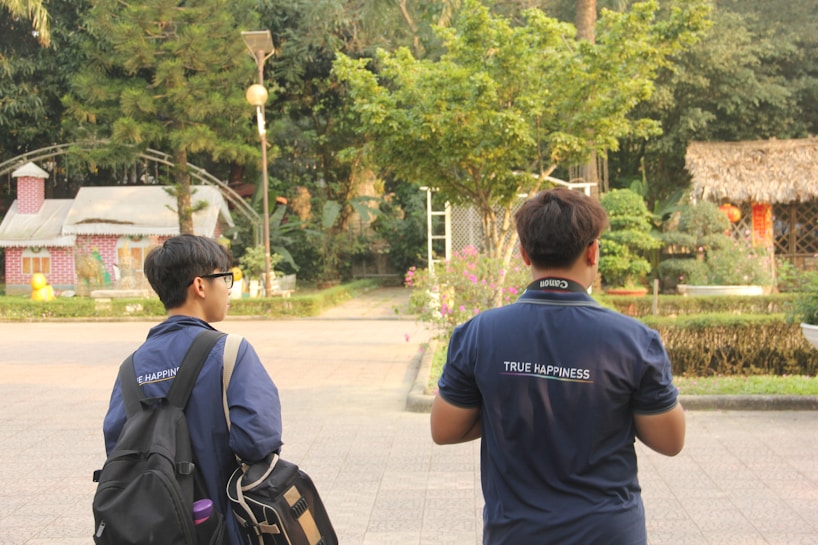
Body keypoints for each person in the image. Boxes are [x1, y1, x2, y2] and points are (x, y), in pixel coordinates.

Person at [430, 187, 685, 545]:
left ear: (523, 253)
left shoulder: (478, 334)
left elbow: (444, 429)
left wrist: (505, 410)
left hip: (516, 534)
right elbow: (670, 441)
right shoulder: (634, 341)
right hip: (608, 534)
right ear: (593, 251)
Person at [102, 234, 283, 545]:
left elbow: (117, 447)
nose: (228, 288)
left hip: (154, 530)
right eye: (224, 278)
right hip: (222, 529)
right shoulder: (231, 351)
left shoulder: (130, 368)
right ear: (200, 285)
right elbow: (258, 441)